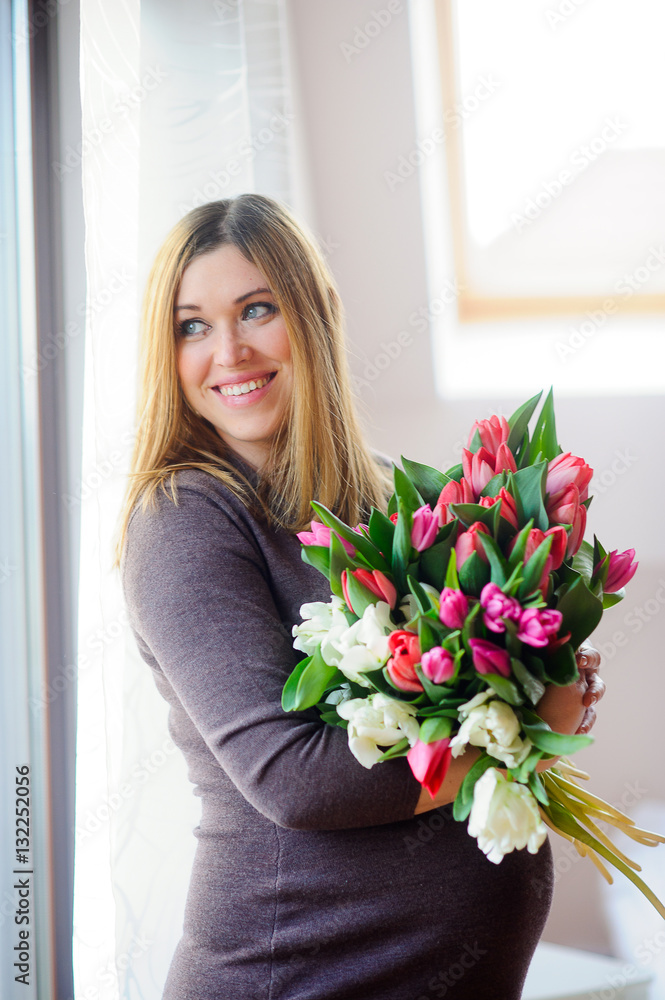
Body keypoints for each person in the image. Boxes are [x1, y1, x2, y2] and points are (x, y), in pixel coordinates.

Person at [117, 193, 604, 1000]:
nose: (229, 351)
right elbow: (292, 781)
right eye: (192, 326)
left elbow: (461, 688)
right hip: (296, 975)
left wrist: (546, 669)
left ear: (314, 314)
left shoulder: (385, 496)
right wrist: (520, 728)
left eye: (257, 310)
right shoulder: (186, 518)